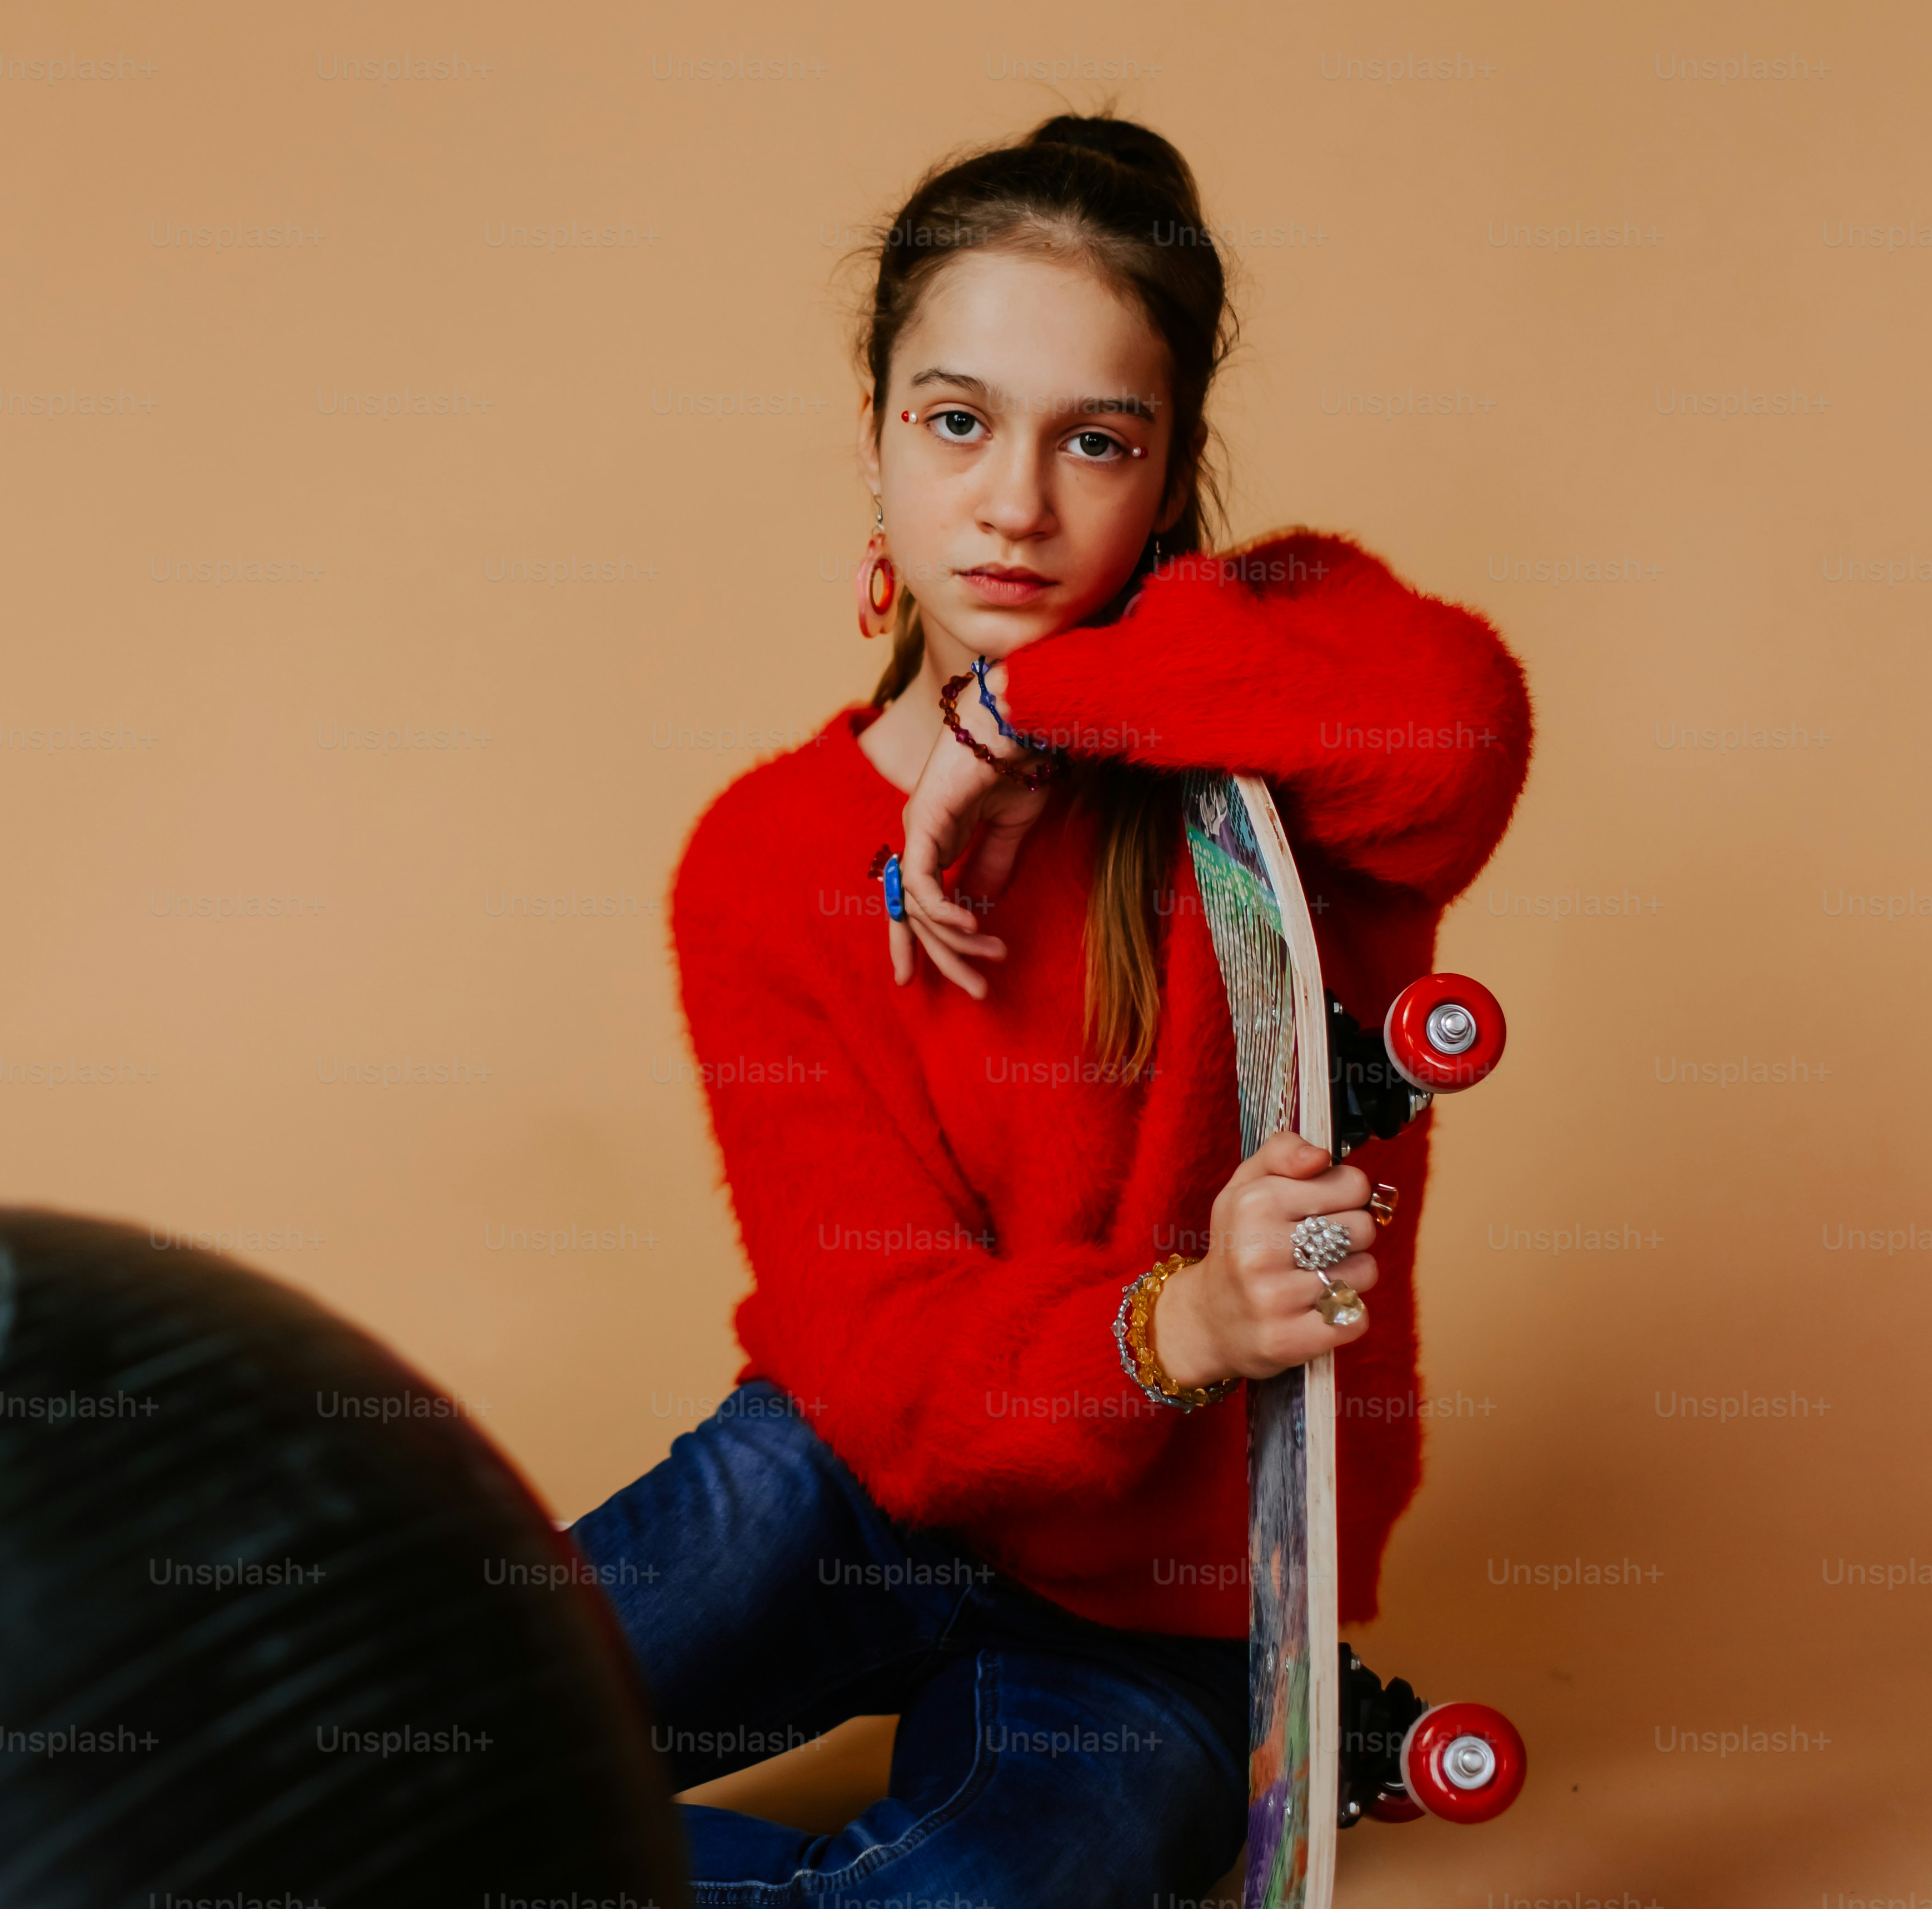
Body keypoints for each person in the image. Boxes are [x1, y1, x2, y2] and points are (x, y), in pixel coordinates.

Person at [568, 114, 1534, 1902]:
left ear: (1166, 480)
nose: (1015, 503)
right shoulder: (765, 860)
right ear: (872, 444)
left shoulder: (1275, 760)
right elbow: (886, 1359)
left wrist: (1032, 714)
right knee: (354, 1750)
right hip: (852, 1491)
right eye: (957, 422)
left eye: (1095, 440)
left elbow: (1458, 722)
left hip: (1153, 1617)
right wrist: (1182, 1329)